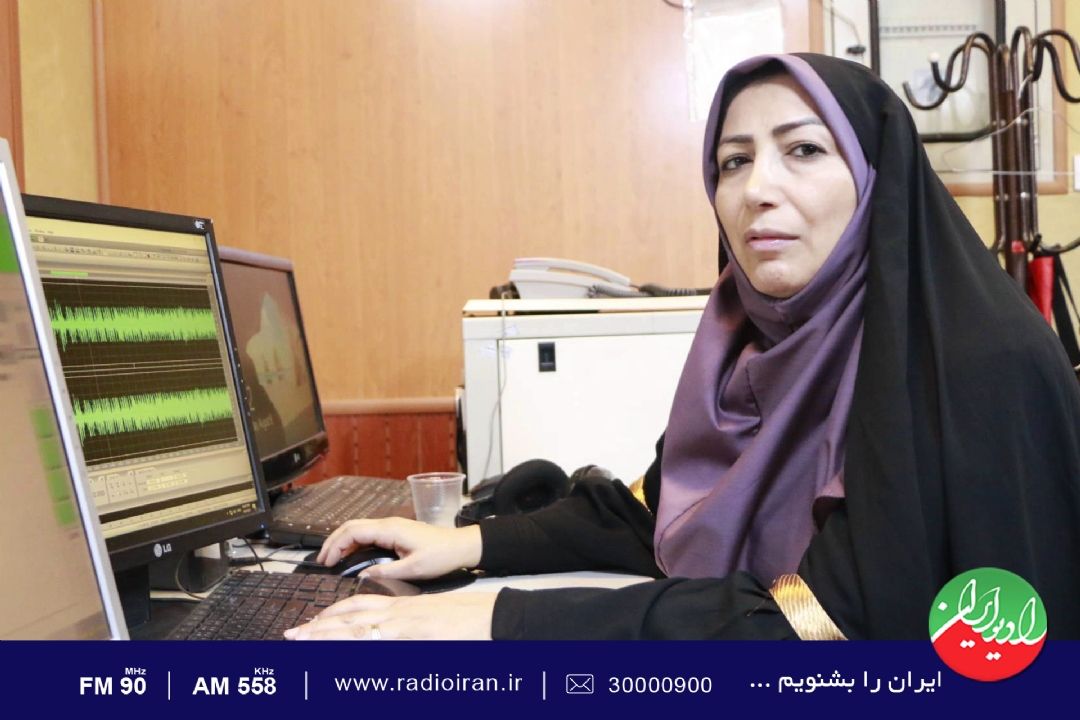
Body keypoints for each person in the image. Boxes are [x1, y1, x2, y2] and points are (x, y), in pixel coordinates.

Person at [285, 53, 1080, 641]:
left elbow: (823, 625)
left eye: (804, 150)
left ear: (878, 179)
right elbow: (656, 512)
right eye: (734, 162)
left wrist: (497, 622)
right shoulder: (756, 347)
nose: (757, 189)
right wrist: (469, 544)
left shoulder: (973, 366)